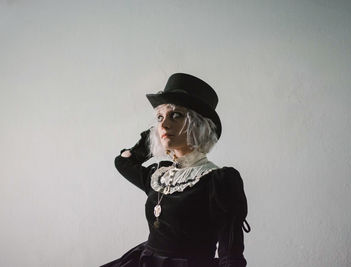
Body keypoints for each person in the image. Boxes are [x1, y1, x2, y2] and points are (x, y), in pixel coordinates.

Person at [101, 73, 250, 267]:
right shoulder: (160, 175)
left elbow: (231, 255)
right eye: (160, 117)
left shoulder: (219, 181)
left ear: (198, 125)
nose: (163, 124)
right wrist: (155, 140)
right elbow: (123, 163)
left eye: (175, 115)